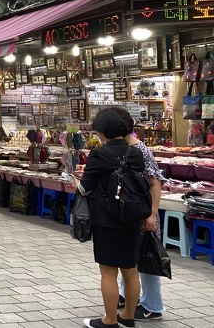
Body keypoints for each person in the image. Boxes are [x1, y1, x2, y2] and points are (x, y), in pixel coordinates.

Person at [73, 108, 148, 328]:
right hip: (132, 215)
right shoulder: (136, 152)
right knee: (130, 269)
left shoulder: (99, 154)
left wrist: (75, 184)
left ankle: (110, 320)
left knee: (108, 271)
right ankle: (129, 316)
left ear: (103, 131)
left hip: (106, 218)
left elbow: (85, 188)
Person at [107, 108, 165, 321]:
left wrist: (152, 214)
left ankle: (152, 304)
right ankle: (125, 295)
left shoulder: (141, 150)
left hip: (143, 214)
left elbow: (155, 183)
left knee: (147, 258)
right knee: (128, 257)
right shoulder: (119, 149)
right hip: (127, 214)